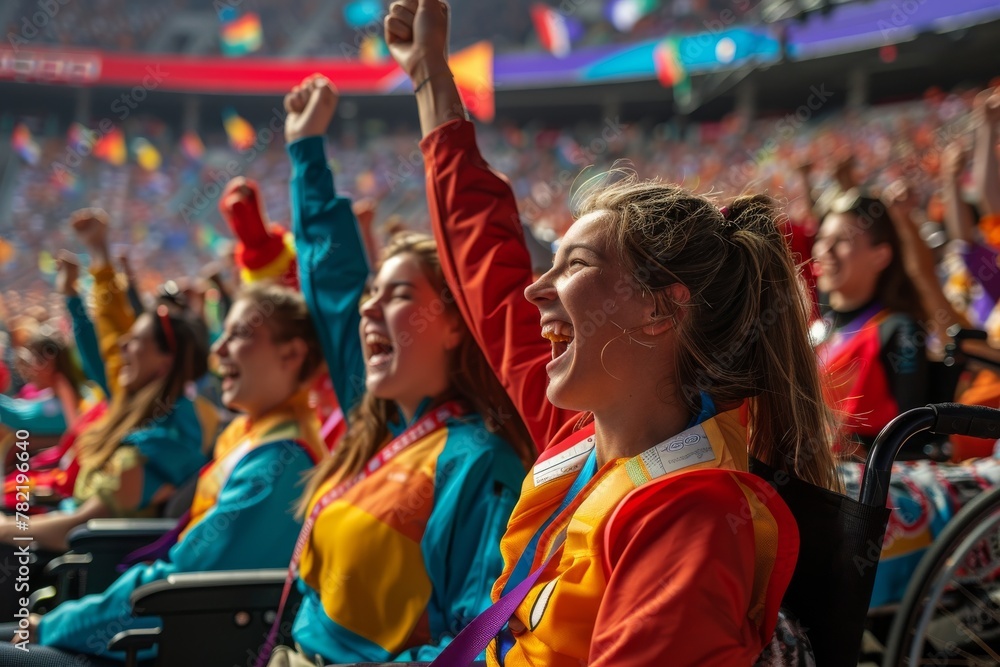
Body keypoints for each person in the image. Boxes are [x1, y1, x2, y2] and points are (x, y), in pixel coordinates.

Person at [384, 1, 839, 664]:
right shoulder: (589, 436)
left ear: (660, 310)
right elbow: (488, 269)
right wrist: (429, 79)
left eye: (573, 266)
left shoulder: (695, 519)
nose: (537, 288)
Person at [261, 74, 534, 665]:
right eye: (372, 295)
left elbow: (477, 647)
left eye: (399, 297)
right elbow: (335, 293)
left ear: (457, 323)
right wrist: (305, 148)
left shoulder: (478, 462)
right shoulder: (384, 423)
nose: (368, 308)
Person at [0, 283, 328, 665]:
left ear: (292, 354)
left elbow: (176, 578)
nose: (218, 348)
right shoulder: (255, 436)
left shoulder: (278, 462)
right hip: (135, 619)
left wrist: (57, 624)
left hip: (147, 639)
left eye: (239, 334)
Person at [811, 193, 929, 452]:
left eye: (841, 240)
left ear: (880, 256)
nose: (824, 251)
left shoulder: (900, 329)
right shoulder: (815, 330)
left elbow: (911, 436)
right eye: (821, 239)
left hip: (863, 481)